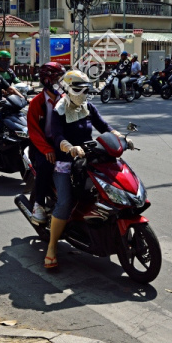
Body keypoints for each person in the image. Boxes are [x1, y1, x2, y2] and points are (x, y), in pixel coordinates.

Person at [45, 70, 129, 270]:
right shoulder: (59, 110)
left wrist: (121, 137)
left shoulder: (87, 106)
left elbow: (104, 126)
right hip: (65, 162)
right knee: (65, 202)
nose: (83, 93)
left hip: (90, 158)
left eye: (85, 89)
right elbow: (56, 136)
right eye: (78, 89)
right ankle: (51, 247)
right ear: (66, 89)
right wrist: (69, 147)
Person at [27, 62, 66, 224]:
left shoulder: (65, 100)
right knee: (46, 166)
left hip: (62, 143)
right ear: (48, 81)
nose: (62, 83)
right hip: (41, 146)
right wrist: (46, 149)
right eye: (58, 79)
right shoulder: (36, 103)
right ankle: (39, 205)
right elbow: (34, 131)